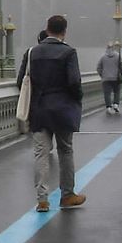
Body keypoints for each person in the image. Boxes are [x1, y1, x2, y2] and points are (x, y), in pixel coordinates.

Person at [26, 14, 87, 212]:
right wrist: (76, 99)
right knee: (65, 150)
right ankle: (67, 195)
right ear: (64, 31)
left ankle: (42, 199)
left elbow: (22, 81)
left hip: (39, 109)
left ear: (47, 28)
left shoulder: (32, 52)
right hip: (62, 109)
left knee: (40, 154)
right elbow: (74, 82)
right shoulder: (68, 53)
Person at [96, 45, 122, 116]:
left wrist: (102, 75)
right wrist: (121, 73)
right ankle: (116, 104)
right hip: (116, 78)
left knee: (107, 93)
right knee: (116, 92)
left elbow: (98, 67)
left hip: (106, 78)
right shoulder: (118, 56)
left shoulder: (103, 57)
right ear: (113, 49)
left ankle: (108, 107)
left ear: (107, 49)